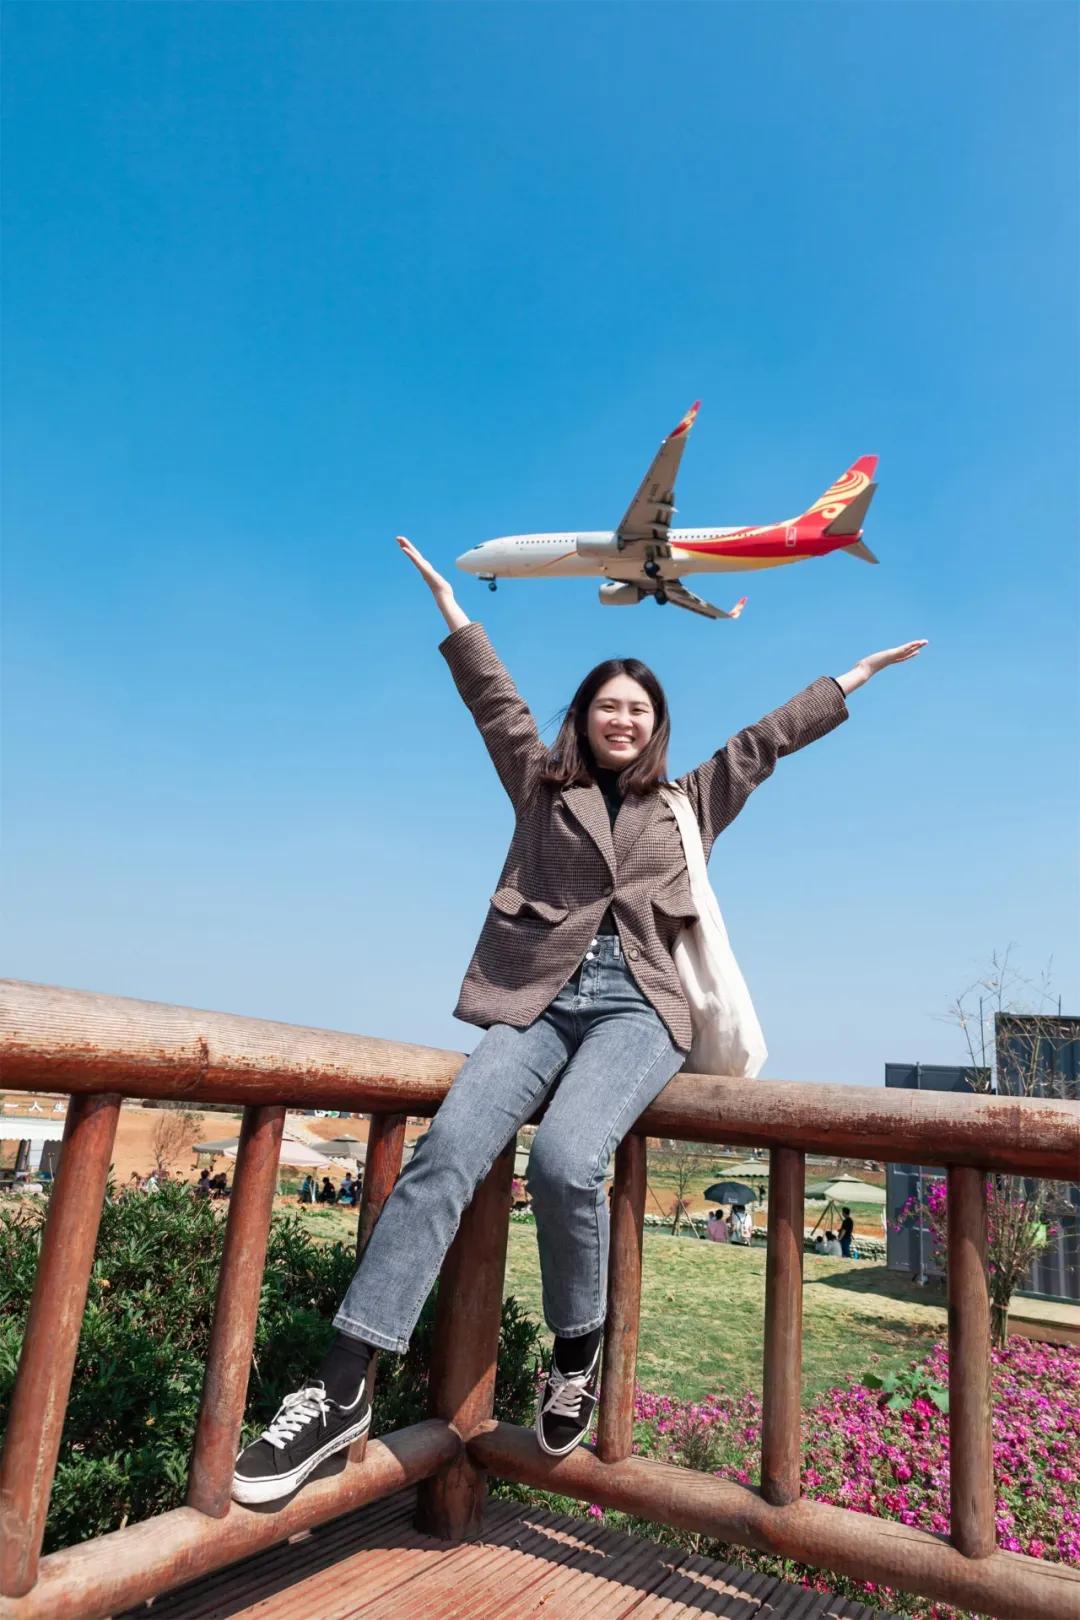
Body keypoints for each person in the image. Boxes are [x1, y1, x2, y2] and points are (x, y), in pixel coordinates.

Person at [231, 530, 926, 1506]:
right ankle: (341, 1387)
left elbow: (765, 742)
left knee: (565, 1159)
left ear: (657, 726)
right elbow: (494, 701)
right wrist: (451, 604)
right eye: (609, 705)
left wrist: (855, 674)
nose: (624, 719)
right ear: (586, 718)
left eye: (640, 709)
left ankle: (574, 1349)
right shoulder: (540, 785)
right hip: (538, 1002)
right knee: (447, 1155)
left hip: (640, 1007)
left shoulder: (689, 804)